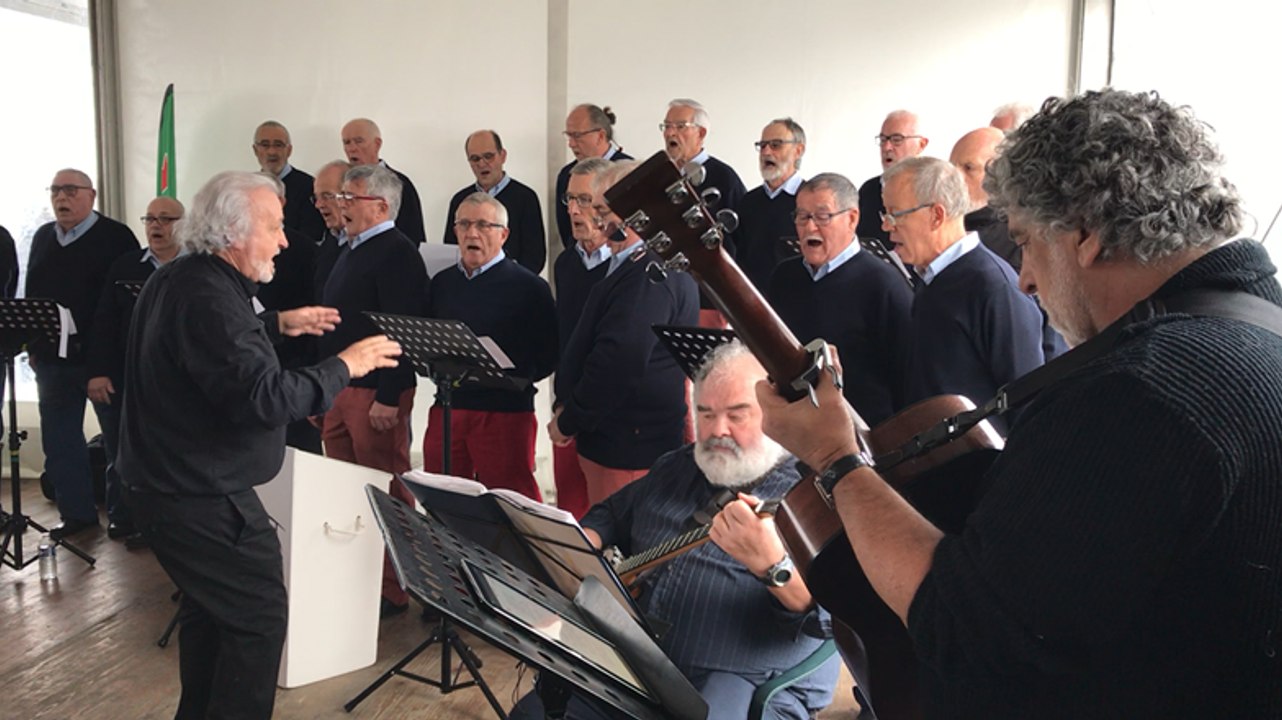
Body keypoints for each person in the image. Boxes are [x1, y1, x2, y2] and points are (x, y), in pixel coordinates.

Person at [756, 89, 1282, 718]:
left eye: (1028, 241)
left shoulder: (1141, 393)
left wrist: (835, 455)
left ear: (1085, 235)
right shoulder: (1261, 325)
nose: (1026, 278)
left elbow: (968, 634)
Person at [117, 170, 400, 720]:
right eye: (273, 227)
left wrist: (273, 324)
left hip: (170, 483)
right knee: (257, 619)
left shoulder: (183, 277)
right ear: (232, 233)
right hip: (196, 492)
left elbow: (210, 349)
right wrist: (346, 365)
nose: (284, 240)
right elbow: (267, 399)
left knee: (213, 615)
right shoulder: (209, 296)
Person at [514, 341, 840, 719]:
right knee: (535, 713)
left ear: (773, 414)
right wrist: (586, 541)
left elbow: (835, 619)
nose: (718, 430)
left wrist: (774, 567)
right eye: (705, 413)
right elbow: (613, 512)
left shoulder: (815, 494)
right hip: (637, 659)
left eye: (738, 415)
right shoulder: (676, 466)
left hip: (735, 678)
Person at [550, 161, 699, 505]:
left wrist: (571, 419)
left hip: (628, 446)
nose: (597, 218)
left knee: (618, 550)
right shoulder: (633, 264)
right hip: (613, 437)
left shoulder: (650, 272)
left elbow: (621, 360)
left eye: (604, 208)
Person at [318, 163, 427, 616]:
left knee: (385, 490)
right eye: (340, 196)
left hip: (373, 393)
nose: (340, 205)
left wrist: (390, 392)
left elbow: (405, 328)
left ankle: (396, 585)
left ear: (381, 205)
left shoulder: (397, 252)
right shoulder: (351, 248)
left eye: (351, 198)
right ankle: (361, 578)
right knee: (347, 492)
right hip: (340, 388)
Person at [882, 156, 1049, 435]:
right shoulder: (929, 279)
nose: (887, 227)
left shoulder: (995, 287)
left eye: (894, 215)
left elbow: (1027, 403)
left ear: (936, 215)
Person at [27, 168, 139, 539]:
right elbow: (33, 294)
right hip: (53, 363)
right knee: (59, 442)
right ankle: (76, 513)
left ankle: (125, 515)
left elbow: (120, 307)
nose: (62, 197)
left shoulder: (115, 237)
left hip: (101, 364)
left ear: (91, 196)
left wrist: (102, 366)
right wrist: (33, 345)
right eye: (56, 190)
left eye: (71, 190)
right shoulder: (44, 237)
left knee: (116, 442)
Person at [424, 192, 557, 500]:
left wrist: (514, 374)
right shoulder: (441, 283)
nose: (472, 233)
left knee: (512, 502)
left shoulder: (530, 287)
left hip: (505, 412)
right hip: (448, 407)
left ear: (504, 234)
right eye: (465, 224)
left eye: (484, 225)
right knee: (441, 499)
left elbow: (550, 353)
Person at [767, 173, 912, 427]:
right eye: (802, 217)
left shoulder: (884, 284)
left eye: (822, 217)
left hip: (861, 435)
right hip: (791, 426)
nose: (810, 227)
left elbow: (905, 377)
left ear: (852, 219)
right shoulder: (784, 275)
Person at [86, 196, 184, 545]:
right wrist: (97, 372)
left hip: (178, 383)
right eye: (150, 219)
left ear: (184, 225)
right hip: (126, 376)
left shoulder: (197, 267)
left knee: (171, 452)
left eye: (166, 219)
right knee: (121, 452)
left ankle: (169, 522)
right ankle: (124, 516)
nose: (157, 226)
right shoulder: (126, 266)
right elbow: (104, 323)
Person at [550, 157, 613, 518]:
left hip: (612, 413)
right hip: (570, 403)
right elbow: (566, 340)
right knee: (569, 510)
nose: (574, 210)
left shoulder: (631, 268)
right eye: (569, 200)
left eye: (584, 200)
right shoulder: (567, 264)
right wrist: (561, 401)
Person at [662, 98, 747, 328]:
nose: (670, 132)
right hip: (665, 288)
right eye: (666, 126)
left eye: (680, 126)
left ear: (701, 133)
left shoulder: (724, 178)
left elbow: (736, 242)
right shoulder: (660, 175)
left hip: (707, 296)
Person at [442, 130, 546, 273]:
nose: (482, 163)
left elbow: (535, 256)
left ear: (502, 156)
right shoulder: (460, 200)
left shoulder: (525, 197)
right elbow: (451, 250)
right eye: (475, 159)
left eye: (488, 156)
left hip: (513, 284)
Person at [735, 118, 806, 293]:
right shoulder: (748, 201)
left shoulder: (811, 201)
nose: (766, 152)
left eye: (776, 145)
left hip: (797, 301)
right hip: (753, 303)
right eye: (763, 145)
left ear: (798, 150)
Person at [554, 104, 632, 249]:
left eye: (577, 136)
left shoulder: (628, 171)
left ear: (600, 136)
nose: (571, 144)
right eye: (568, 135)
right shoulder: (567, 174)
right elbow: (567, 231)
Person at [341, 117, 426, 244]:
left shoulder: (399, 183)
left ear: (377, 144)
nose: (351, 148)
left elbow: (413, 233)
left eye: (359, 141)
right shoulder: (341, 182)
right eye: (347, 142)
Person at [856, 110, 929, 249]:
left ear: (922, 144)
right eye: (883, 140)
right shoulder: (869, 190)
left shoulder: (931, 191)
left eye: (897, 140)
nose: (886, 147)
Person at [253, 120, 324, 242]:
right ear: (255, 150)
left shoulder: (309, 186)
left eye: (278, 145)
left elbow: (313, 235)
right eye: (265, 145)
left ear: (289, 150)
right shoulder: (248, 188)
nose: (272, 152)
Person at [310, 159, 352, 300]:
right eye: (316, 197)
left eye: (327, 196)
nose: (318, 205)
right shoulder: (330, 242)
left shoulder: (370, 244)